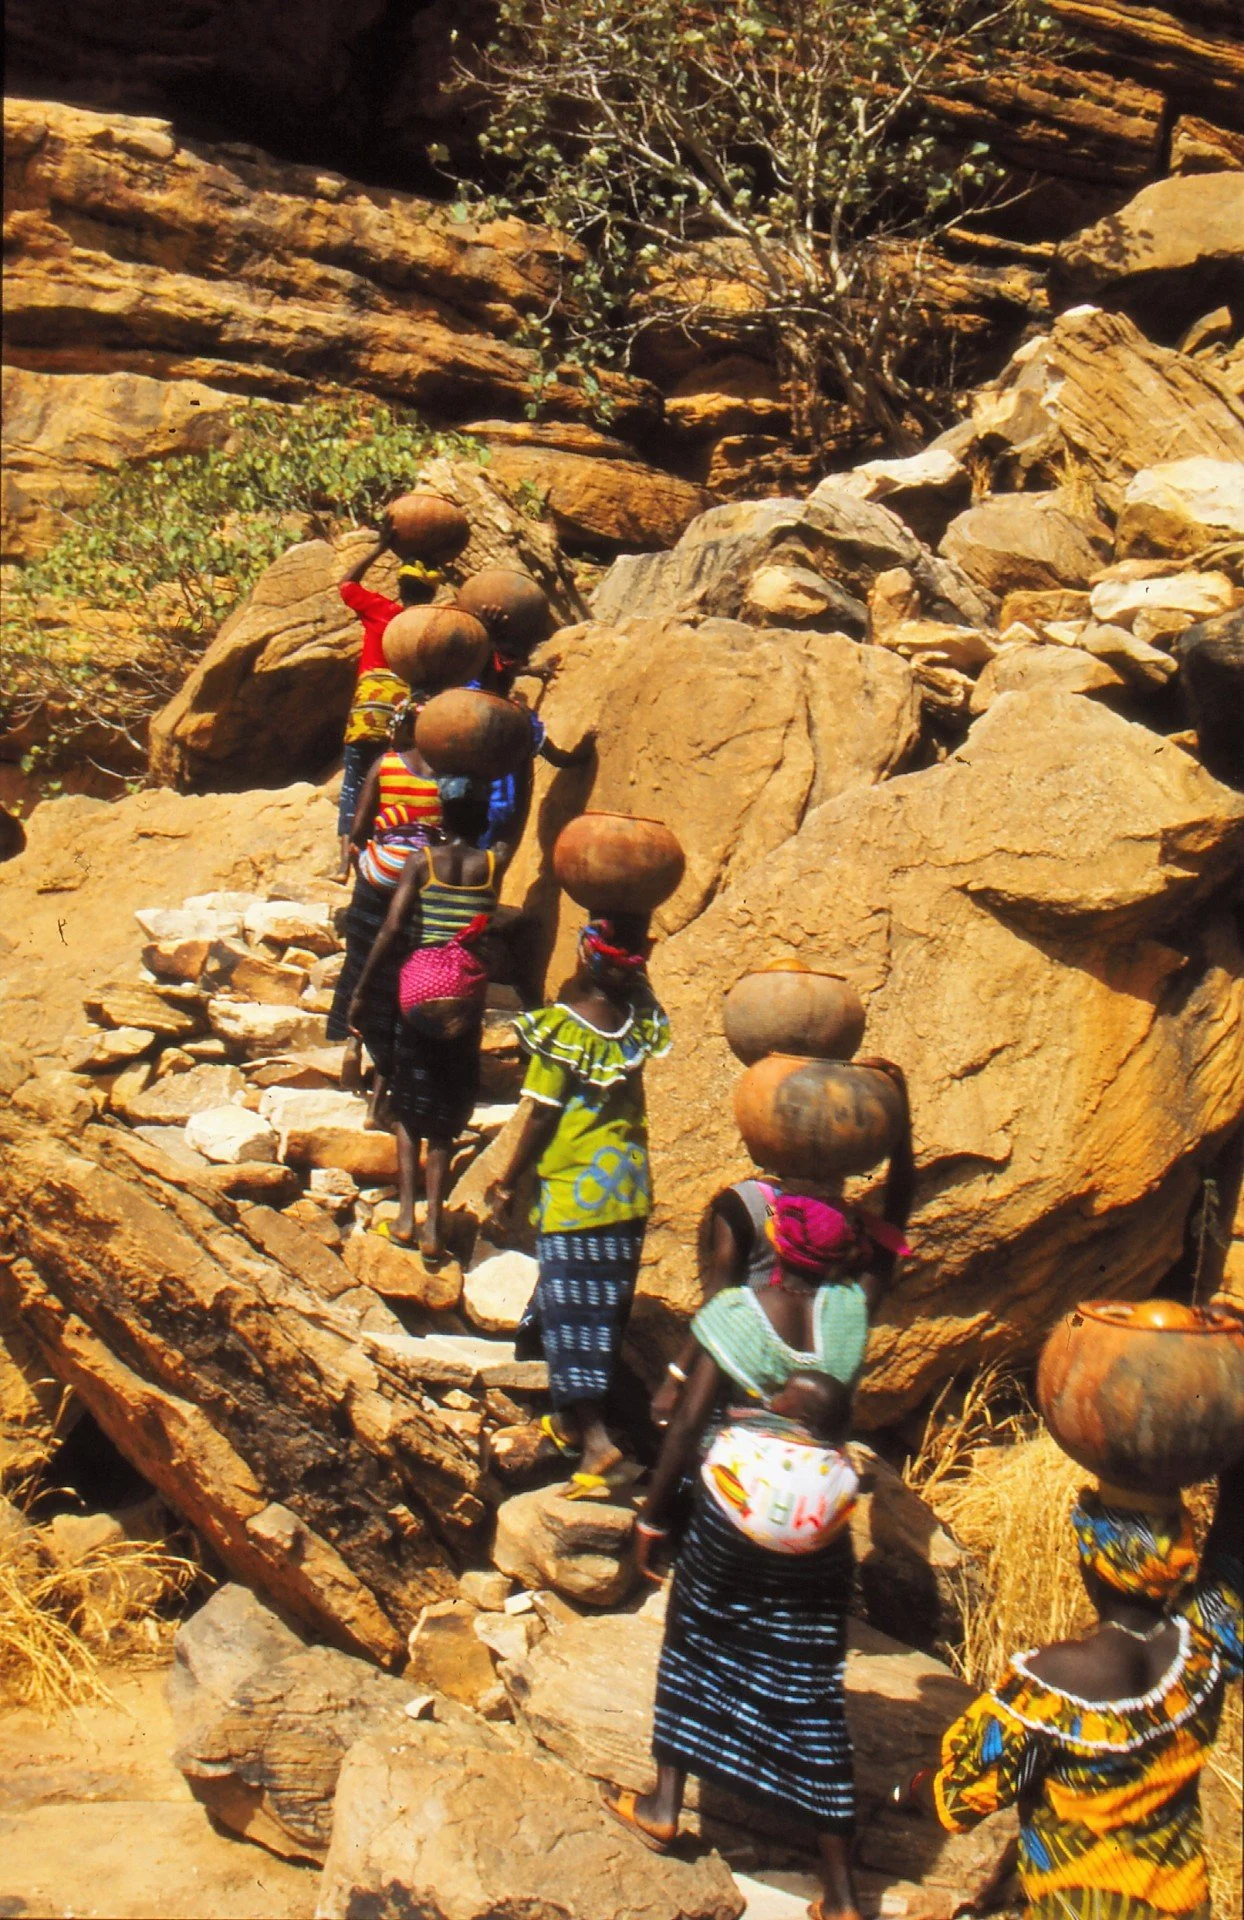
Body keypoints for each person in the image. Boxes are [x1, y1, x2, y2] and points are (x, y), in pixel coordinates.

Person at [601, 1094, 914, 1920]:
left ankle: (667, 1806)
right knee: (810, 1680)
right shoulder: (852, 1313)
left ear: (774, 1242)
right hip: (819, 1528)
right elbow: (897, 1219)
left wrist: (652, 1517)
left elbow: (687, 1430)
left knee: (695, 1640)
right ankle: (841, 1892)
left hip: (729, 1519)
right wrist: (901, 1126)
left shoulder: (736, 1316)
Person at [920, 1452, 1243, 1920]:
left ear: (1093, 1562)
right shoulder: (1205, 1652)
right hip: (1181, 1906)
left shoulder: (1053, 1684)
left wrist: (910, 1789)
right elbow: (1232, 1558)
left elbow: (957, 1799)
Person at [484, 916, 670, 1491]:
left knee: (573, 1320)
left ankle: (596, 1444)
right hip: (628, 1187)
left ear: (587, 957)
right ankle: (567, 1422)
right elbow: (634, 983)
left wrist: (507, 1180)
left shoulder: (565, 1029)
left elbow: (542, 1113)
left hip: (575, 1189)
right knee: (601, 1308)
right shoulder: (637, 1019)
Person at [651, 1056, 908, 1429]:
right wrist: (900, 1114)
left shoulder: (748, 1207)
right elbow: (900, 1201)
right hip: (812, 1432)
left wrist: (676, 1376)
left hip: (737, 1388)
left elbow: (717, 1300)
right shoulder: (847, 1304)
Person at [348, 778, 508, 1263]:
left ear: (442, 817)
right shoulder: (495, 864)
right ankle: (435, 1224)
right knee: (444, 1112)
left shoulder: (421, 863)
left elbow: (394, 927)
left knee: (406, 1098)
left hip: (419, 989)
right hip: (465, 997)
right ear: (482, 820)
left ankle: (403, 1216)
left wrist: (361, 988)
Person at [326, 700, 441, 1115]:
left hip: (381, 871)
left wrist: (360, 858)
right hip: (423, 877)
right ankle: (388, 1074)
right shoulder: (448, 774)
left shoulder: (387, 764)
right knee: (401, 968)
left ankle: (352, 1044)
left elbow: (358, 826)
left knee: (361, 959)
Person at [335, 520, 443, 876]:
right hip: (405, 713)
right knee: (387, 782)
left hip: (369, 708)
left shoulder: (381, 610)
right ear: (431, 594)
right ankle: (391, 854)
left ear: (399, 586)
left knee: (353, 782)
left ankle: (343, 864)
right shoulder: (432, 625)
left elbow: (347, 583)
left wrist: (380, 547)